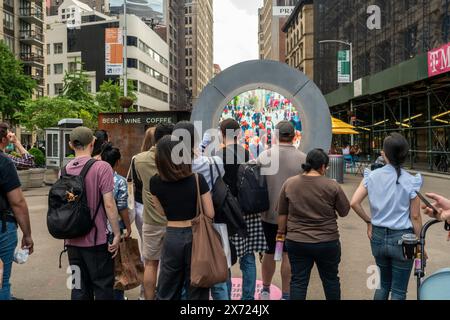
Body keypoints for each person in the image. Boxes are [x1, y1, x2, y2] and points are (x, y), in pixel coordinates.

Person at [351, 133, 423, 300]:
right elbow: (415, 216)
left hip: (377, 236)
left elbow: (354, 203)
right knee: (398, 291)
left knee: (382, 285)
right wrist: (420, 244)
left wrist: (369, 221)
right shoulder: (412, 181)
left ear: (384, 153)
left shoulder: (371, 175)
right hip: (404, 240)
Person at [278, 149, 350, 300]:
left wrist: (281, 234)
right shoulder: (332, 186)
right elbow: (344, 212)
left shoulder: (289, 183)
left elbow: (282, 213)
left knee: (298, 281)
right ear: (323, 166)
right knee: (331, 280)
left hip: (297, 241)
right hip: (327, 242)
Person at [151, 135, 214, 300]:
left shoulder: (155, 182)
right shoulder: (197, 179)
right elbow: (210, 213)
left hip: (172, 236)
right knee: (197, 286)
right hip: (196, 236)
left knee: (168, 287)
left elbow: (160, 211)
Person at [172, 121, 228, 300]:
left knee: (183, 279)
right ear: (195, 139)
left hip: (178, 228)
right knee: (217, 272)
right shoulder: (214, 163)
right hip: (207, 224)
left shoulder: (170, 166)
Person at [64, 126, 121, 300]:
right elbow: (109, 204)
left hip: (72, 239)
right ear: (93, 142)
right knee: (103, 286)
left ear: (71, 145)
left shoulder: (64, 169)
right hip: (96, 240)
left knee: (79, 288)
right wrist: (117, 233)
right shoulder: (102, 167)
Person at [217, 118, 267, 301]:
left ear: (222, 134)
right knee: (248, 257)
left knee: (225, 258)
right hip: (247, 211)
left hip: (226, 212)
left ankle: (226, 298)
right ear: (238, 134)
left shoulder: (217, 155)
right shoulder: (247, 154)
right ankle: (248, 299)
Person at [257, 121, 306, 301]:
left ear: (276, 135)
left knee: (269, 252)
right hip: (294, 217)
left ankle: (265, 290)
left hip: (269, 215)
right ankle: (286, 295)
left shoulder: (264, 156)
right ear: (294, 136)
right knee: (288, 254)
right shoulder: (304, 159)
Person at [133, 123, 173, 300]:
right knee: (171, 266)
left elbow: (138, 187)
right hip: (175, 221)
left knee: (150, 264)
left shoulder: (138, 159)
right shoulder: (179, 158)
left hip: (150, 219)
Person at [0, 123, 34, 300]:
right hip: (3, 224)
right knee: (2, 279)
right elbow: (18, 202)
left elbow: (28, 162)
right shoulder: (4, 161)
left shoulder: (6, 158)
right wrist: (27, 234)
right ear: (5, 138)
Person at [101, 143, 132, 300]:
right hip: (114, 230)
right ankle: (117, 297)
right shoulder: (119, 181)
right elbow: (122, 207)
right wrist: (128, 227)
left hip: (97, 230)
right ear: (118, 162)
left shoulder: (96, 177)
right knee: (117, 269)